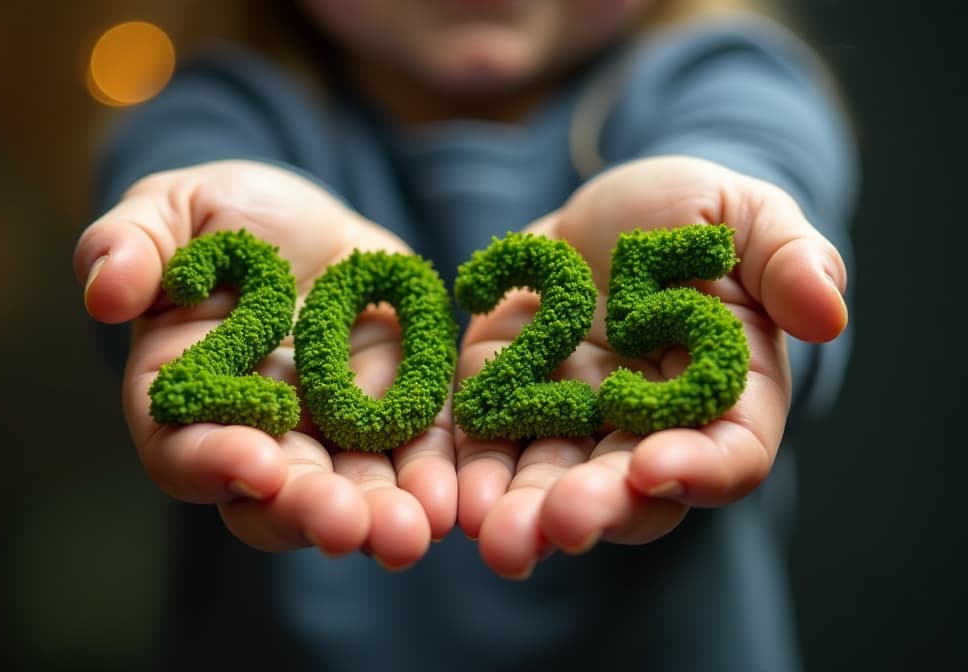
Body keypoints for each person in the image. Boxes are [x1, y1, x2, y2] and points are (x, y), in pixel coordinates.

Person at [73, 0, 857, 669]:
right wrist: (183, 231)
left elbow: (758, 162)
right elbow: (176, 196)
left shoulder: (722, 76)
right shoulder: (223, 100)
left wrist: (737, 241)